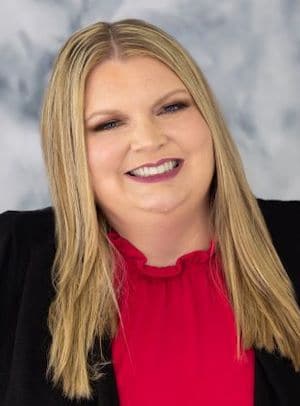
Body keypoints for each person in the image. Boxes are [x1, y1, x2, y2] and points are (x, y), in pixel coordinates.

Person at [0, 18, 299, 406]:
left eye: (171, 107)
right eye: (108, 124)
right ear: (70, 149)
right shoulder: (11, 257)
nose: (148, 140)